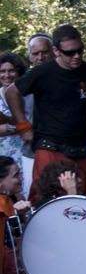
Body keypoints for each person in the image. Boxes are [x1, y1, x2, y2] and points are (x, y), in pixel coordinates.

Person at [17, 24, 86, 196]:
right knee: (45, 198)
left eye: (80, 50)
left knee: (82, 201)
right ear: (56, 51)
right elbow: (11, 91)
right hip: (50, 146)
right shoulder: (42, 72)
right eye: (70, 53)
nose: (77, 56)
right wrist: (23, 126)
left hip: (80, 146)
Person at [0, 53, 30, 194]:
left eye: (11, 70)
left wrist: (10, 127)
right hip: (2, 156)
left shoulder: (27, 96)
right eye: (2, 71)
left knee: (23, 190)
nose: (7, 75)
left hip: (24, 153)